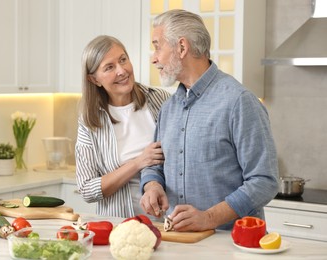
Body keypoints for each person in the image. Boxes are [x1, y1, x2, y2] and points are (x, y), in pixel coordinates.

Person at [139, 9, 279, 231]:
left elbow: (264, 181)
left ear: (182, 47)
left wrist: (209, 218)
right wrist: (152, 186)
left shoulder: (239, 102)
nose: (153, 57)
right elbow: (155, 163)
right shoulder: (169, 108)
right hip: (176, 240)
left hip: (231, 244)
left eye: (157, 46)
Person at [75, 35, 171, 218]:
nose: (122, 70)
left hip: (167, 221)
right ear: (94, 80)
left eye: (123, 60)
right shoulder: (89, 121)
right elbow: (87, 189)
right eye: (109, 67)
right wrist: (138, 162)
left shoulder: (160, 99)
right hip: (119, 224)